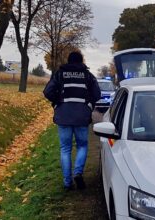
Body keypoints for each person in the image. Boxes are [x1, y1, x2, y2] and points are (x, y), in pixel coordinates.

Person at [43, 51, 101, 191]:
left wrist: (57, 102)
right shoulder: (88, 75)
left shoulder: (60, 74)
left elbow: (47, 91)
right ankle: (78, 173)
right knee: (82, 145)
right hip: (81, 116)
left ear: (69, 61)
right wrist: (88, 105)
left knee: (65, 149)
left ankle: (67, 183)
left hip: (63, 115)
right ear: (81, 61)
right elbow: (97, 94)